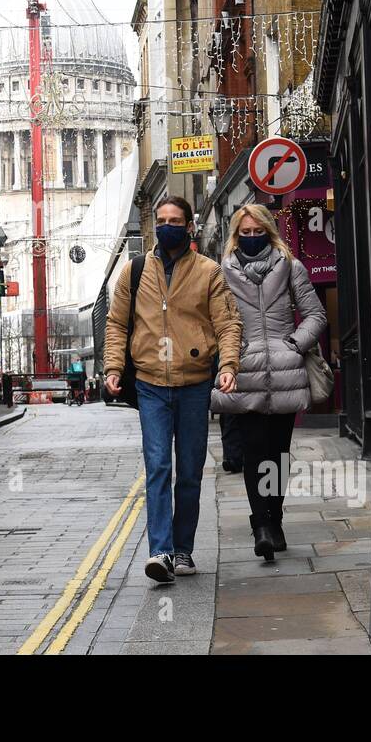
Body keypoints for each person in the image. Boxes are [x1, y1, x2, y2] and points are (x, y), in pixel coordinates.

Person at [103, 196, 242, 584]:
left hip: (195, 384)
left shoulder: (209, 272)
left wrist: (228, 365)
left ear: (189, 227)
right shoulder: (133, 273)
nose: (167, 226)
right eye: (161, 220)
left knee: (192, 472)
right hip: (149, 384)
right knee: (159, 466)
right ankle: (161, 551)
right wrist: (114, 368)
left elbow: (228, 325)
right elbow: (116, 325)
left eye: (175, 220)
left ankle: (183, 550)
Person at [211, 203, 327, 562]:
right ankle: (260, 526)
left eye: (256, 231)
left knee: (277, 455)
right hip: (243, 371)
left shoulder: (291, 267)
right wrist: (232, 351)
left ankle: (274, 521)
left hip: (285, 370)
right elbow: (211, 319)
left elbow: (315, 314)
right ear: (235, 235)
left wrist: (294, 344)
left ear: (269, 230)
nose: (250, 237)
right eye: (244, 233)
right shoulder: (221, 273)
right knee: (252, 451)